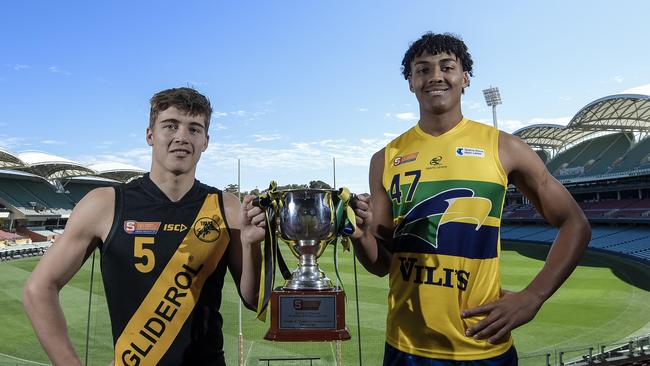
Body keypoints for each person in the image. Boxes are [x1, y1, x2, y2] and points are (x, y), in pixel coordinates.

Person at [351, 32, 591, 365]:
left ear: (464, 78)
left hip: (483, 347)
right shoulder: (385, 158)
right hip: (405, 347)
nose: (435, 76)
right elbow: (381, 263)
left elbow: (574, 223)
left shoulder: (505, 147)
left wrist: (533, 297)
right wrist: (361, 235)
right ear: (411, 82)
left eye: (446, 66)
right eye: (422, 69)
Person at [23, 87, 265, 366]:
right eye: (170, 125)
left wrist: (251, 244)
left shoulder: (227, 206)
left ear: (206, 141)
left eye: (194, 129)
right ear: (150, 135)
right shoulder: (105, 204)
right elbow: (38, 289)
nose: (182, 137)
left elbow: (252, 298)